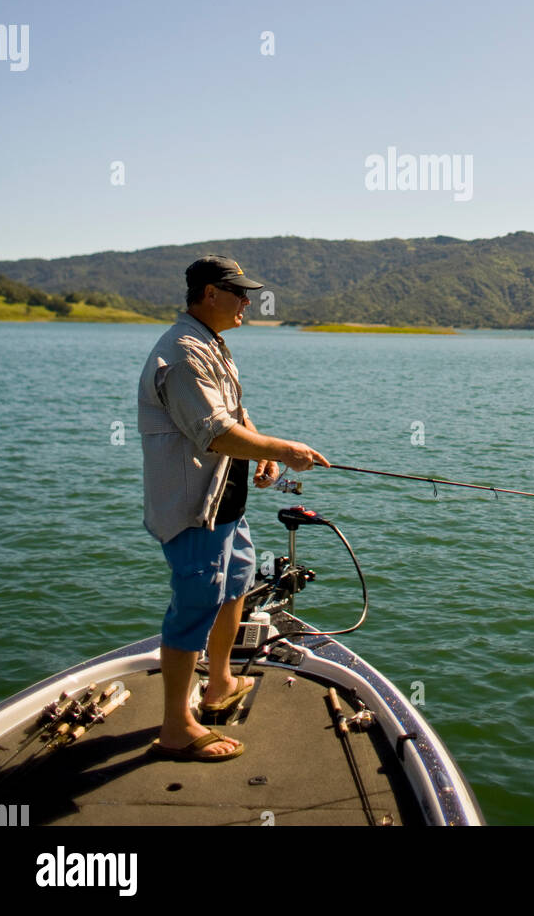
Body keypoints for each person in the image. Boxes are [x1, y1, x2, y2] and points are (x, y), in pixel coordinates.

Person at [137, 254, 330, 761]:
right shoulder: (180, 354)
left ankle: (218, 682)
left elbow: (234, 413)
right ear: (208, 294)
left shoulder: (210, 344)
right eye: (238, 292)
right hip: (194, 511)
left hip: (226, 505)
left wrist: (264, 455)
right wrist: (284, 450)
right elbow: (214, 432)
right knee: (194, 606)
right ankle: (176, 726)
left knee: (237, 582)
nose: (249, 301)